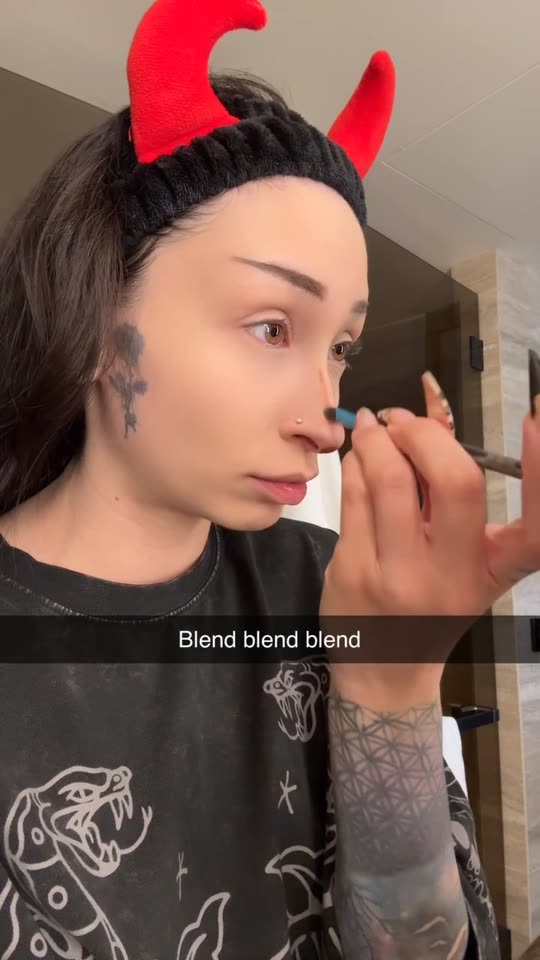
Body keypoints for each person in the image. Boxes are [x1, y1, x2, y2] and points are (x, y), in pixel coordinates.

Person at [1, 0, 540, 957]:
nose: (324, 418)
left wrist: (392, 683)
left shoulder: (332, 585)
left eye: (341, 349)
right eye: (271, 327)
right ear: (96, 320)